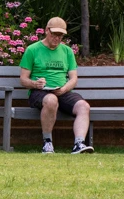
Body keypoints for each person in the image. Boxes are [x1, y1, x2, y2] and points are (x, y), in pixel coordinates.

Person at [19, 17, 93, 154]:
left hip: (62, 91)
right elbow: (23, 79)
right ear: (47, 31)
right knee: (51, 100)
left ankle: (79, 144)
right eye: (55, 34)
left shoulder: (67, 51)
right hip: (39, 92)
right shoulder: (32, 50)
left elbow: (73, 78)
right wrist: (35, 84)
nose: (57, 38)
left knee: (84, 106)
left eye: (61, 35)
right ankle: (47, 143)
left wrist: (64, 88)